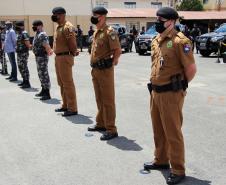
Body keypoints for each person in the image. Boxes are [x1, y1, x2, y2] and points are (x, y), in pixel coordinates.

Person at [143, 7, 197, 185]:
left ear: (171, 22)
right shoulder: (157, 40)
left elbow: (191, 69)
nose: (158, 22)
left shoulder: (180, 41)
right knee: (158, 130)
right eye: (157, 19)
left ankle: (178, 169)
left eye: (161, 20)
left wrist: (180, 87)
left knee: (172, 132)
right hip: (156, 92)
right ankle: (161, 160)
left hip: (171, 93)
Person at [87, 7, 121, 141]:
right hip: (95, 70)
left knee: (108, 100)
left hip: (105, 70)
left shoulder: (109, 31)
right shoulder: (97, 32)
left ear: (102, 17)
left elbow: (117, 50)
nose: (93, 17)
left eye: (95, 15)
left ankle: (111, 129)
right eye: (93, 14)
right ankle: (101, 123)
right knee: (99, 98)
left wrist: (111, 63)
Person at [51, 7, 79, 117]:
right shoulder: (59, 27)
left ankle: (72, 108)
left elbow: (72, 43)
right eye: (53, 14)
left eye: (56, 14)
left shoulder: (68, 27)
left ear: (62, 15)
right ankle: (65, 105)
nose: (54, 16)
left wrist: (73, 53)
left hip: (65, 57)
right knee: (61, 83)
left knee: (67, 83)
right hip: (58, 57)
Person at [32, 20, 53, 100]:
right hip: (38, 57)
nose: (33, 27)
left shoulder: (42, 34)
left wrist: (49, 51)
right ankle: (43, 90)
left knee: (44, 74)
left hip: (42, 57)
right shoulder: (37, 34)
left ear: (40, 25)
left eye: (35, 25)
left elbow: (46, 45)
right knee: (40, 74)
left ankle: (47, 93)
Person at [15, 21, 32, 88]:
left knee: (24, 67)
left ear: (21, 26)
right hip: (19, 52)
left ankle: (27, 82)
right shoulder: (19, 33)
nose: (16, 27)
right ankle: (24, 81)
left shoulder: (24, 33)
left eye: (17, 26)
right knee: (20, 67)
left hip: (23, 53)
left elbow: (27, 43)